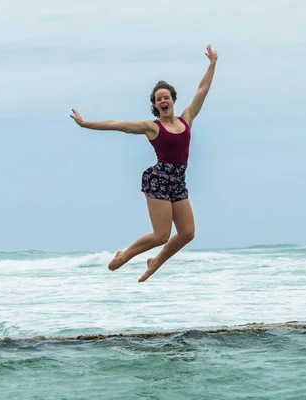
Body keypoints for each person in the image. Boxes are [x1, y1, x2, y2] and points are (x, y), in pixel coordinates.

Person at [70, 44, 218, 282]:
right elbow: (118, 124)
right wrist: (86, 124)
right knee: (161, 235)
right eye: (158, 99)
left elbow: (202, 90)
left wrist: (212, 64)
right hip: (159, 179)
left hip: (178, 180)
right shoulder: (152, 127)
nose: (163, 101)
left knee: (188, 233)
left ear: (173, 99)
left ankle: (154, 261)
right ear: (155, 104)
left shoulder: (187, 119)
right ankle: (124, 255)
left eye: (166, 97)